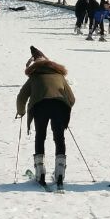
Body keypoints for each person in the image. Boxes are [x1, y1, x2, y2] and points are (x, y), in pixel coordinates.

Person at [16, 48, 75, 188]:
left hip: (40, 107)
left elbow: (21, 97)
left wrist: (21, 112)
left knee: (40, 136)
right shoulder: (60, 76)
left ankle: (40, 172)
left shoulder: (34, 77)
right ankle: (60, 173)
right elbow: (71, 98)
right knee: (59, 137)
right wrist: (66, 108)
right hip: (59, 106)